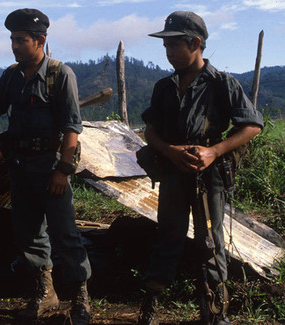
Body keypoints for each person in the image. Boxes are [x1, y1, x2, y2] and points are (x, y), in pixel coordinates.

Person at [137, 11, 263, 325]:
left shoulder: (221, 83)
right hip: (172, 172)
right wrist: (168, 150)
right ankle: (150, 306)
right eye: (165, 46)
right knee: (168, 235)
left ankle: (215, 312)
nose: (167, 52)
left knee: (211, 241)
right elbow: (150, 130)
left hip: (210, 176)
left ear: (195, 43)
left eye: (174, 45)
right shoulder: (164, 87)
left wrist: (213, 151)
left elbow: (252, 125)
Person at [0, 8, 92, 325]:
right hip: (19, 166)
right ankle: (45, 292)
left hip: (50, 165)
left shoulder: (60, 75)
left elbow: (72, 129)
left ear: (40, 40)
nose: (15, 46)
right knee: (29, 233)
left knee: (66, 234)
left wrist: (63, 170)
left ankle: (81, 297)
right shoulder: (11, 76)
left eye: (21, 40)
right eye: (13, 39)